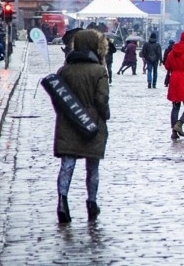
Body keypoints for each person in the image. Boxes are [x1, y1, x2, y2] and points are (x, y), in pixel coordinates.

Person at [53, 29, 110, 223]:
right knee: (92, 167)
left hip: (68, 121)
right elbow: (102, 100)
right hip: (92, 124)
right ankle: (91, 203)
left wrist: (65, 113)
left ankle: (62, 201)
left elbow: (57, 97)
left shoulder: (64, 70)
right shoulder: (99, 71)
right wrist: (105, 116)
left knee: (67, 165)